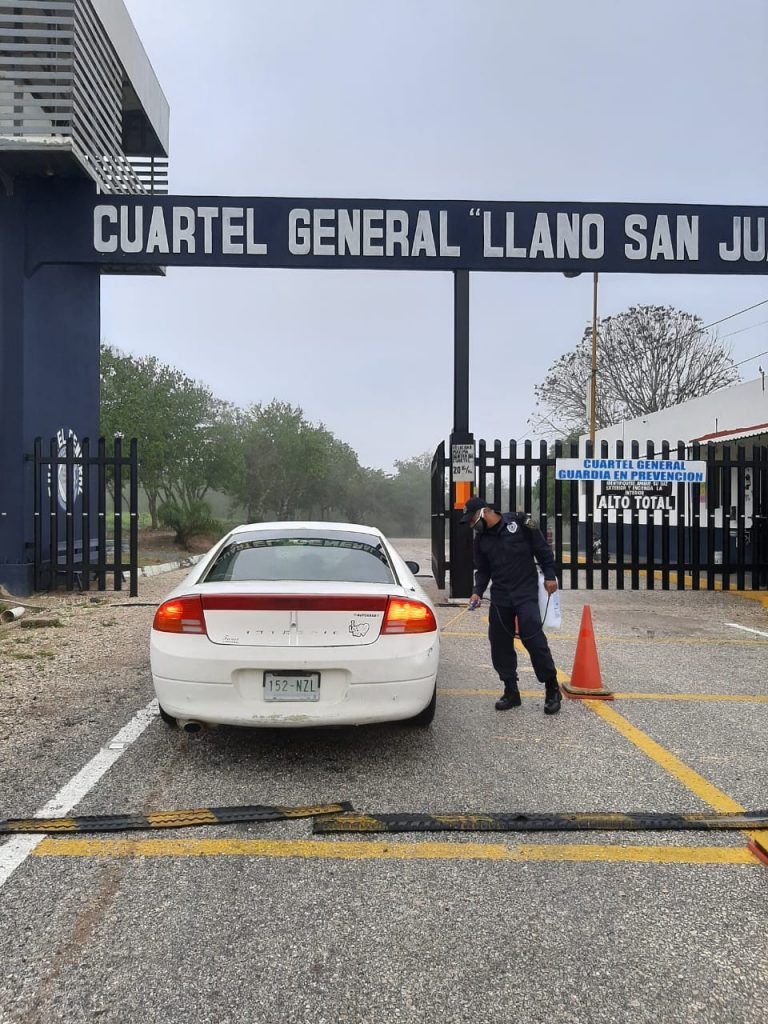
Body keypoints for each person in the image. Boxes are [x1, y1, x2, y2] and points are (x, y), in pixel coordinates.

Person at [460, 496, 561, 715]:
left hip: (525, 593)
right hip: (500, 597)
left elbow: (542, 549)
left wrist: (550, 575)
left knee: (534, 641)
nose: (472, 525)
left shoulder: (521, 523)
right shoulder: (481, 540)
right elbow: (483, 570)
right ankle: (511, 691)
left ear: (484, 512)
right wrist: (477, 592)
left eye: (473, 519)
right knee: (499, 643)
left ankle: (552, 688)